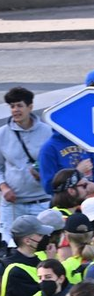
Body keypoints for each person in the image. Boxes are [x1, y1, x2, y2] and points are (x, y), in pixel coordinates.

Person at [1, 87, 53, 247]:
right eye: (12, 106)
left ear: (30, 107)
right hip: (12, 204)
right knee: (9, 246)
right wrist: (3, 188)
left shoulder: (48, 132)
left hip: (41, 202)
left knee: (40, 246)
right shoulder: (2, 134)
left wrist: (43, 175)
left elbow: (56, 163)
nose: (15, 110)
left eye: (19, 105)